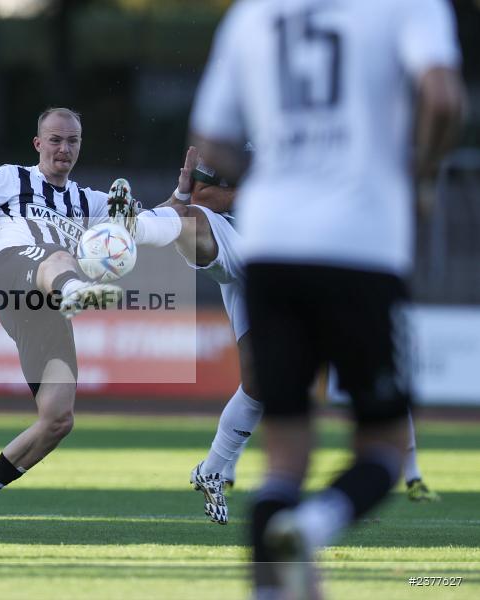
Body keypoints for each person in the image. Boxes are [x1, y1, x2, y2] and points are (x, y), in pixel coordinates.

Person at [189, 0, 463, 596]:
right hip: (362, 246)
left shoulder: (252, 16)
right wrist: (419, 175)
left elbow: (210, 138)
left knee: (283, 459)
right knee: (385, 449)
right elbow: (443, 97)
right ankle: (311, 526)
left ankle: (274, 581)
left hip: (273, 249)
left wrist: (274, 174)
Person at [0, 108, 184, 534]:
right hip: (14, 274)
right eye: (55, 139)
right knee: (60, 257)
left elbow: (149, 223)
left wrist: (182, 193)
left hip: (45, 309)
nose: (63, 148)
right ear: (37, 143)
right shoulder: (10, 178)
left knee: (58, 420)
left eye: (72, 141)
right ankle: (74, 291)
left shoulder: (92, 202)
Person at [161, 147, 439, 527]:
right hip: (241, 238)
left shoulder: (330, 137)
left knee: (259, 381)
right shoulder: (239, 131)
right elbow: (202, 196)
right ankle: (131, 228)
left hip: (299, 249)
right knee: (193, 220)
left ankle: (213, 470)